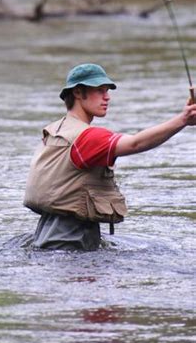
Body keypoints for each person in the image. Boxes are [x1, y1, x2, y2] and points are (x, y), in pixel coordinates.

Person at [24, 63, 196, 251]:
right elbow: (135, 143)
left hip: (47, 234)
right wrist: (183, 120)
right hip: (72, 242)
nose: (107, 97)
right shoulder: (88, 137)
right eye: (99, 90)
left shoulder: (57, 130)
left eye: (107, 90)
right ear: (79, 93)